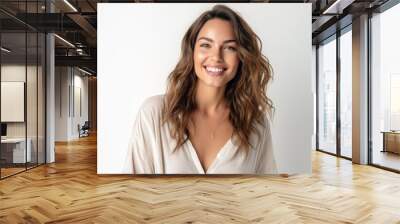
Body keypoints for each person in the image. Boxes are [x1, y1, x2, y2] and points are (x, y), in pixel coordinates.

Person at [124, 5, 277, 174]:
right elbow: (131, 193)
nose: (216, 57)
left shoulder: (256, 122)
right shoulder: (154, 113)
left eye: (229, 47)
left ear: (241, 56)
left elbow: (266, 192)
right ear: (192, 52)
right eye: (206, 45)